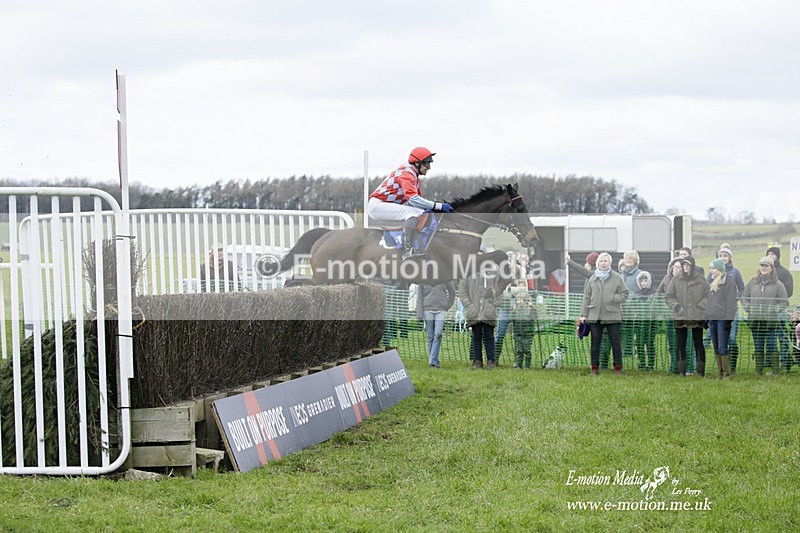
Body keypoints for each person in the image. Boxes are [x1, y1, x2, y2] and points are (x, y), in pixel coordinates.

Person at [367, 147, 454, 260]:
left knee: (420, 213)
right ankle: (407, 250)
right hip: (377, 206)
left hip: (386, 205)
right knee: (412, 213)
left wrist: (432, 209)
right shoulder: (406, 173)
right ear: (417, 162)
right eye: (427, 164)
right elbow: (413, 199)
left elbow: (419, 202)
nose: (429, 167)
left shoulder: (414, 176)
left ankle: (417, 246)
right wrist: (438, 206)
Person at [579, 252, 629, 375]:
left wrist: (613, 298)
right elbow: (586, 297)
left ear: (610, 263)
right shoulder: (592, 278)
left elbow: (625, 294)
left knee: (615, 343)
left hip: (613, 316)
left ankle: (618, 368)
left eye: (605, 261)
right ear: (597, 263)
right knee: (595, 343)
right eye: (601, 261)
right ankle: (594, 368)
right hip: (595, 316)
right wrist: (583, 314)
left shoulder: (617, 277)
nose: (603, 263)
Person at [741, 256, 789, 374]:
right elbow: (744, 297)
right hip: (755, 321)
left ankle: (775, 371)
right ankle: (759, 371)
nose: (763, 268)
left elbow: (784, 302)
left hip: (771, 322)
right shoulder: (753, 282)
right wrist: (748, 308)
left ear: (771, 268)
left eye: (766, 266)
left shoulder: (778, 284)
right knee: (758, 346)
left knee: (772, 345)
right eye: (762, 265)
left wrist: (774, 309)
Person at [665, 256, 709, 377]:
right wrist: (676, 306)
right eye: (684, 265)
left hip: (697, 316)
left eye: (687, 265)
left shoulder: (701, 280)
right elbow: (668, 296)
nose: (685, 267)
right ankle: (681, 371)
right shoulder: (676, 280)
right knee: (680, 344)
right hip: (681, 316)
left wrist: (701, 306)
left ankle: (700, 372)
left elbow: (708, 295)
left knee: (698, 343)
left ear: (692, 266)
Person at [459, 264, 503, 370]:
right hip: (474, 311)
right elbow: (463, 292)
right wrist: (469, 305)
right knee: (476, 337)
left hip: (489, 312)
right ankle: (477, 361)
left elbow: (499, 291)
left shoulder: (494, 274)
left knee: (489, 336)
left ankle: (491, 361)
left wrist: (493, 305)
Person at [657, 257, 694, 374]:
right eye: (675, 266)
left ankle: (688, 368)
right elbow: (659, 295)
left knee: (685, 343)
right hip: (669, 315)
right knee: (672, 343)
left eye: (679, 267)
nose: (676, 269)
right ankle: (674, 367)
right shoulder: (666, 279)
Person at [713, 244, 745, 372]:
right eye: (721, 255)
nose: (723, 257)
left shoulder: (735, 272)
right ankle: (722, 370)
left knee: (731, 339)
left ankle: (732, 365)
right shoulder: (713, 272)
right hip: (716, 312)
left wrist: (734, 299)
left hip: (731, 310)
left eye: (725, 255)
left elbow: (742, 288)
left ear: (730, 258)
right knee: (717, 340)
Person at [706, 258, 738, 379]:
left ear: (719, 269)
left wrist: (728, 321)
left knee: (722, 346)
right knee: (716, 346)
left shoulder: (729, 283)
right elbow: (709, 301)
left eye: (713, 268)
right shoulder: (712, 282)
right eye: (710, 268)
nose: (711, 271)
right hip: (713, 318)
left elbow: (731, 304)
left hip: (723, 319)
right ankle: (719, 372)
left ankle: (726, 373)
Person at [765, 246, 794, 371]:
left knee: (782, 335)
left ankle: (786, 359)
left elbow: (789, 291)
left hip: (780, 310)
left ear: (778, 256)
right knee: (767, 335)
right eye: (769, 253)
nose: (771, 256)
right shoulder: (764, 271)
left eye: (773, 254)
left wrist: (776, 299)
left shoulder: (784, 272)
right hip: (766, 311)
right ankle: (769, 360)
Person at [416, 281, 457, 368]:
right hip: (427, 310)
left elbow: (452, 292)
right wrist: (419, 314)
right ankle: (434, 362)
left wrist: (448, 305)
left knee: (438, 334)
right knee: (430, 337)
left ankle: (432, 361)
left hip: (441, 310)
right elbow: (419, 297)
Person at [631, 271, 657, 371]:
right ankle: (642, 362)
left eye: (645, 280)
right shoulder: (637, 294)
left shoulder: (654, 293)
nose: (643, 283)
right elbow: (633, 307)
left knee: (649, 343)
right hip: (639, 322)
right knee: (639, 342)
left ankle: (650, 364)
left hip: (651, 323)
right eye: (641, 281)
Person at [510, 281, 538, 369]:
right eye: (517, 300)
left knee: (527, 350)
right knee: (519, 350)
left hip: (527, 334)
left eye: (520, 300)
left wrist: (532, 308)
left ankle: (527, 365)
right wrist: (513, 310)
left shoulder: (529, 310)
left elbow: (534, 317)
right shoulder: (516, 310)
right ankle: (518, 365)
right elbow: (511, 319)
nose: (518, 302)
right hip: (518, 334)